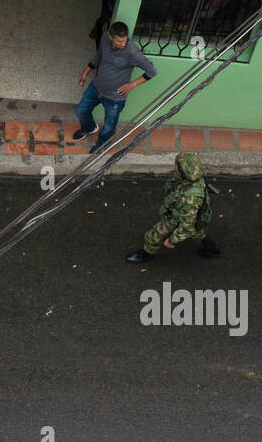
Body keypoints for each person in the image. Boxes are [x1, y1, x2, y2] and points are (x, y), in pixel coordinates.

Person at [74, 21, 156, 153]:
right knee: (81, 111)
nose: (123, 44)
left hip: (115, 97)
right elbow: (99, 55)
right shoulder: (105, 38)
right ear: (111, 37)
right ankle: (90, 128)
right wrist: (85, 72)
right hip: (96, 87)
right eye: (119, 41)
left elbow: (152, 71)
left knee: (109, 125)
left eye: (125, 40)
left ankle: (103, 144)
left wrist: (132, 84)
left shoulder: (132, 52)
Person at [125, 152, 221, 262]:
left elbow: (186, 227)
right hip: (192, 214)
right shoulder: (196, 178)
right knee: (198, 231)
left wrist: (172, 240)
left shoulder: (190, 200)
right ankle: (212, 247)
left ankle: (147, 253)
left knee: (154, 235)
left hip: (176, 218)